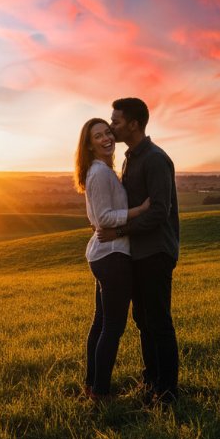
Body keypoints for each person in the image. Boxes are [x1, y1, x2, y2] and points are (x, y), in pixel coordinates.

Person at [98, 97, 180, 405]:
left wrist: (118, 231)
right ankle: (152, 383)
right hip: (139, 252)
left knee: (158, 321)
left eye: (116, 121)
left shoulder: (155, 159)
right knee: (143, 319)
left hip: (156, 251)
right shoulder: (130, 157)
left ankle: (168, 392)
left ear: (134, 124)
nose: (111, 126)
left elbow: (159, 212)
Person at [74, 118, 150, 402]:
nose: (106, 138)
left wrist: (103, 222)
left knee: (101, 324)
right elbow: (104, 218)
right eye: (98, 136)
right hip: (113, 256)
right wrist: (139, 210)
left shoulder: (102, 171)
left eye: (108, 132)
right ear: (89, 145)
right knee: (112, 327)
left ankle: (92, 386)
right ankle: (101, 393)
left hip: (105, 255)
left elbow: (97, 216)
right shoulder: (100, 173)